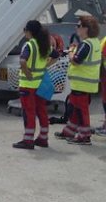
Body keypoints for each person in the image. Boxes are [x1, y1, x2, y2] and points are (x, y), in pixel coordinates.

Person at [55, 15, 101, 145]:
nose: (77, 28)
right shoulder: (94, 42)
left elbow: (76, 60)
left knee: (80, 110)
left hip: (82, 83)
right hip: (87, 83)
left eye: (79, 26)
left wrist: (70, 52)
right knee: (75, 108)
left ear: (86, 29)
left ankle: (84, 136)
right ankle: (69, 131)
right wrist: (76, 49)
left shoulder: (86, 44)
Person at [12, 20, 58, 150]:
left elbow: (22, 61)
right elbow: (56, 56)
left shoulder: (29, 45)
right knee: (41, 110)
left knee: (29, 112)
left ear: (29, 31)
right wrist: (45, 66)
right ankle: (43, 138)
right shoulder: (45, 45)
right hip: (40, 84)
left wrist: (27, 72)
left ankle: (28, 140)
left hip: (27, 85)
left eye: (25, 30)